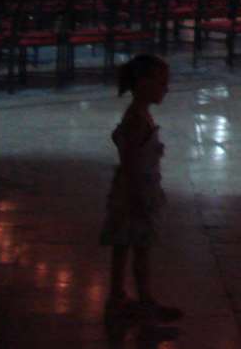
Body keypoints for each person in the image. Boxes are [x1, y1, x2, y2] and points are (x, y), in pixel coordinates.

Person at [100, 54, 182, 330]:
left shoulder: (138, 115)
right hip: (135, 192)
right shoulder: (137, 119)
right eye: (161, 82)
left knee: (124, 245)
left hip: (129, 190)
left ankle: (118, 298)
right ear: (144, 83)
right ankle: (143, 301)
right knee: (140, 248)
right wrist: (138, 197)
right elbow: (131, 161)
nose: (166, 88)